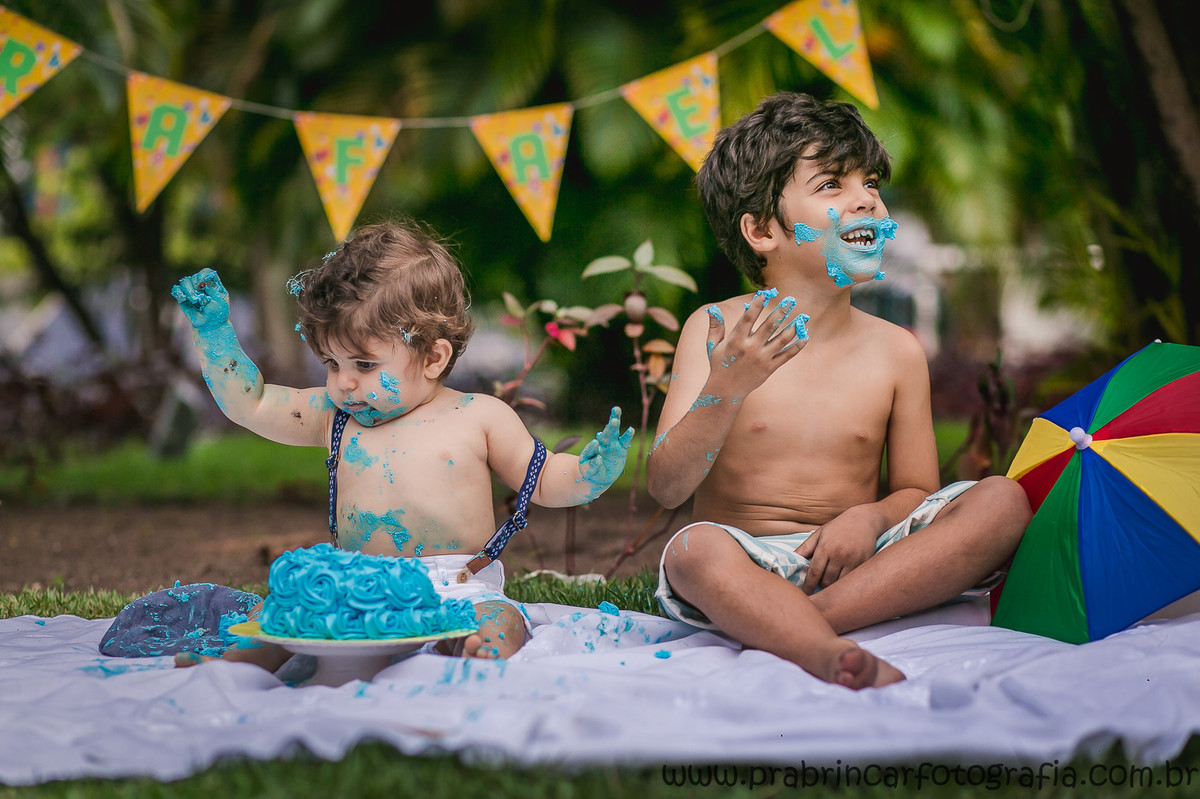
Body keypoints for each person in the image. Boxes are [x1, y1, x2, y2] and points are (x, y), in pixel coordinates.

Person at [647, 92, 1031, 689]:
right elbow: (667, 485)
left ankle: (802, 623)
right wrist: (727, 386)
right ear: (761, 231)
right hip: (748, 559)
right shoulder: (716, 331)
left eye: (870, 183)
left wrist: (870, 518)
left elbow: (914, 491)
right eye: (831, 184)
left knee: (1001, 500)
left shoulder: (897, 350)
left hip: (865, 561)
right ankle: (822, 650)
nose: (866, 200)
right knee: (694, 551)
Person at [170, 218, 633, 667]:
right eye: (331, 363)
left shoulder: (479, 416)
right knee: (280, 617)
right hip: (356, 584)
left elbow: (546, 479)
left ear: (433, 357)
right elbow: (250, 405)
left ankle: (482, 650)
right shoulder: (334, 416)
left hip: (457, 586)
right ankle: (236, 663)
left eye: (364, 365)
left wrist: (588, 474)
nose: (344, 383)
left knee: (498, 620)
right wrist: (215, 335)